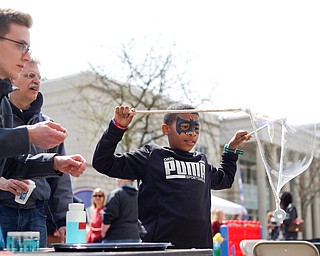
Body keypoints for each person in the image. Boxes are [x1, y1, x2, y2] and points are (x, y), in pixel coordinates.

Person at [92, 103, 251, 249]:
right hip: (162, 249)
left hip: (201, 250)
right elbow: (102, 162)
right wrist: (117, 127)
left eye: (196, 128)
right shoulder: (151, 156)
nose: (191, 133)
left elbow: (225, 179)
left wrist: (231, 149)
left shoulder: (201, 161)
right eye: (184, 126)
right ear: (165, 129)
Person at [0, 58, 76, 247]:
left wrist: (63, 220)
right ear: (13, 79)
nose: (36, 81)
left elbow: (61, 179)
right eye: (30, 75)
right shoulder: (3, 119)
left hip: (36, 213)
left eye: (39, 77)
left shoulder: (49, 125)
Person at [0, 8, 68, 160]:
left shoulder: (3, 102)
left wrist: (54, 164)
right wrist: (27, 135)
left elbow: (9, 165)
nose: (27, 56)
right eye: (21, 46)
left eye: (28, 49)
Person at [101, 179, 140, 243]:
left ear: (122, 178)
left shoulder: (116, 194)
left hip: (115, 238)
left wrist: (103, 232)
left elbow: (109, 215)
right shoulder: (138, 195)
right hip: (135, 236)